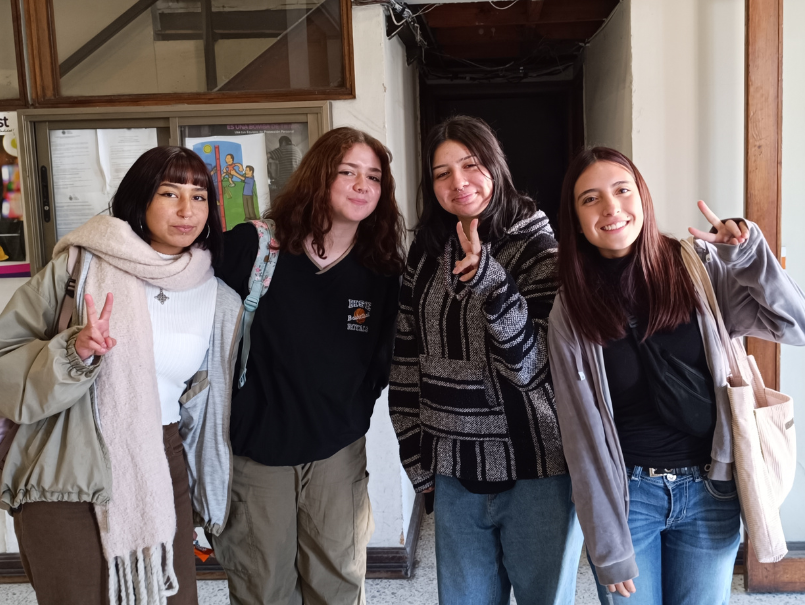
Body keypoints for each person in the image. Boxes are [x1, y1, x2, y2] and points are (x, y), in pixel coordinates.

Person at [547, 147, 805, 604]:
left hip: (711, 490)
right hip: (630, 498)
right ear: (576, 218)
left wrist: (747, 256)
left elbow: (793, 324)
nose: (611, 208)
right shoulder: (572, 306)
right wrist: (606, 544)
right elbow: (579, 433)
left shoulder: (698, 266)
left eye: (622, 190)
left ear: (642, 197)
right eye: (590, 199)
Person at [0, 146, 243, 605]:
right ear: (140, 199)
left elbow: (204, 405)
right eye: (169, 193)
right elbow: (5, 355)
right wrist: (74, 352)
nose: (186, 210)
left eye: (199, 196)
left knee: (171, 595)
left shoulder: (217, 297)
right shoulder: (79, 267)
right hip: (66, 463)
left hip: (160, 459)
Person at [388, 115, 583, 605]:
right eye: (441, 173)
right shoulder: (427, 251)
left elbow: (533, 367)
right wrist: (418, 460)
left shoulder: (541, 247)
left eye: (471, 165)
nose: (458, 182)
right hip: (454, 473)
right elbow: (407, 358)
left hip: (538, 472)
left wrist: (491, 283)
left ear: (495, 166)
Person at [212, 126, 405, 605]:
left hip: (336, 452)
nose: (363, 185)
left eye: (374, 177)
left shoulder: (380, 268)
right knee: (263, 588)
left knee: (338, 583)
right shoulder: (255, 248)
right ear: (319, 176)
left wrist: (349, 410)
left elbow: (381, 359)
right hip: (257, 453)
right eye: (348, 172)